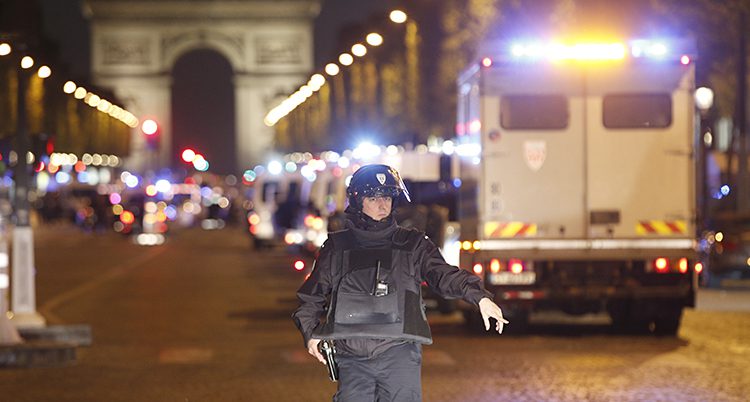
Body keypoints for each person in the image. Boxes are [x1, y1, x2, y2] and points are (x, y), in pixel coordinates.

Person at [292, 164, 509, 401]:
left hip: (399, 354)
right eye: (373, 198)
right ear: (357, 201)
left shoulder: (413, 244)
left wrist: (480, 296)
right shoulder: (337, 246)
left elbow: (443, 274)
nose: (382, 204)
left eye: (386, 197)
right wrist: (311, 332)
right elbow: (311, 295)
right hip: (352, 356)